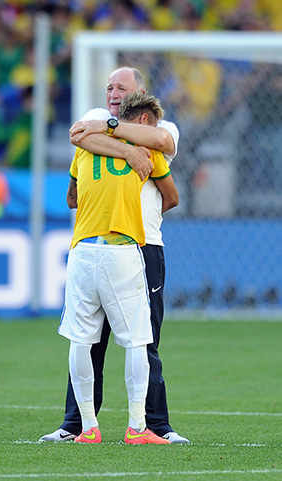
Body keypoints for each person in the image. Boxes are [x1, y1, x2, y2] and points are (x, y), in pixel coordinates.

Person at [40, 66, 189, 444]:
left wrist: (108, 130)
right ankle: (78, 423)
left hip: (144, 243)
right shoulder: (97, 120)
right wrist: (124, 148)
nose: (112, 92)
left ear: (139, 91)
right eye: (108, 86)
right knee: (102, 340)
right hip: (116, 246)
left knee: (144, 339)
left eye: (120, 87)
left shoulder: (162, 127)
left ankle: (157, 424)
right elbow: (82, 137)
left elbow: (160, 150)